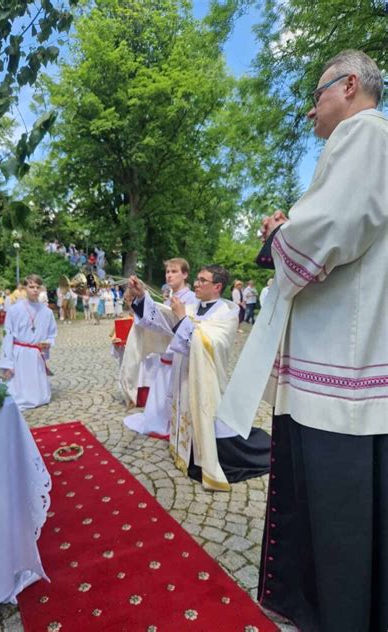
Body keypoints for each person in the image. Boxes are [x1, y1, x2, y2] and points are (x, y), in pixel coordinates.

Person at [217, 51, 387, 631]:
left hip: (342, 370)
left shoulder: (366, 135)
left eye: (316, 95)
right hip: (344, 360)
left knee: (334, 514)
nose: (311, 109)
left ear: (348, 86)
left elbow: (329, 231)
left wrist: (279, 235)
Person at [127, 265, 270, 490]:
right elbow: (163, 322)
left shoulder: (227, 312)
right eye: (197, 279)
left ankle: (208, 457)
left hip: (207, 377)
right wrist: (141, 297)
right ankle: (188, 450)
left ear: (217, 287)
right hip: (183, 373)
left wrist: (183, 318)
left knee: (209, 418)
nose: (196, 283)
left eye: (203, 280)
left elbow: (212, 343)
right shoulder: (192, 305)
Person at [122, 258, 197, 437]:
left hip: (182, 359)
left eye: (174, 271)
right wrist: (140, 297)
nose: (169, 275)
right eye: (167, 272)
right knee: (160, 410)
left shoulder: (193, 299)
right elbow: (155, 322)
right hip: (166, 357)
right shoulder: (170, 297)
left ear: (185, 274)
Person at [0, 274, 57, 410]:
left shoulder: (47, 312)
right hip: (19, 352)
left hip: (35, 353)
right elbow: (8, 336)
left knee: (39, 396)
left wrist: (48, 342)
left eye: (38, 287)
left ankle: (37, 396)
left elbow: (52, 333)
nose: (35, 290)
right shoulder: (14, 310)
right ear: (25, 288)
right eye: (31, 287)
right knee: (19, 389)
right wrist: (7, 363)